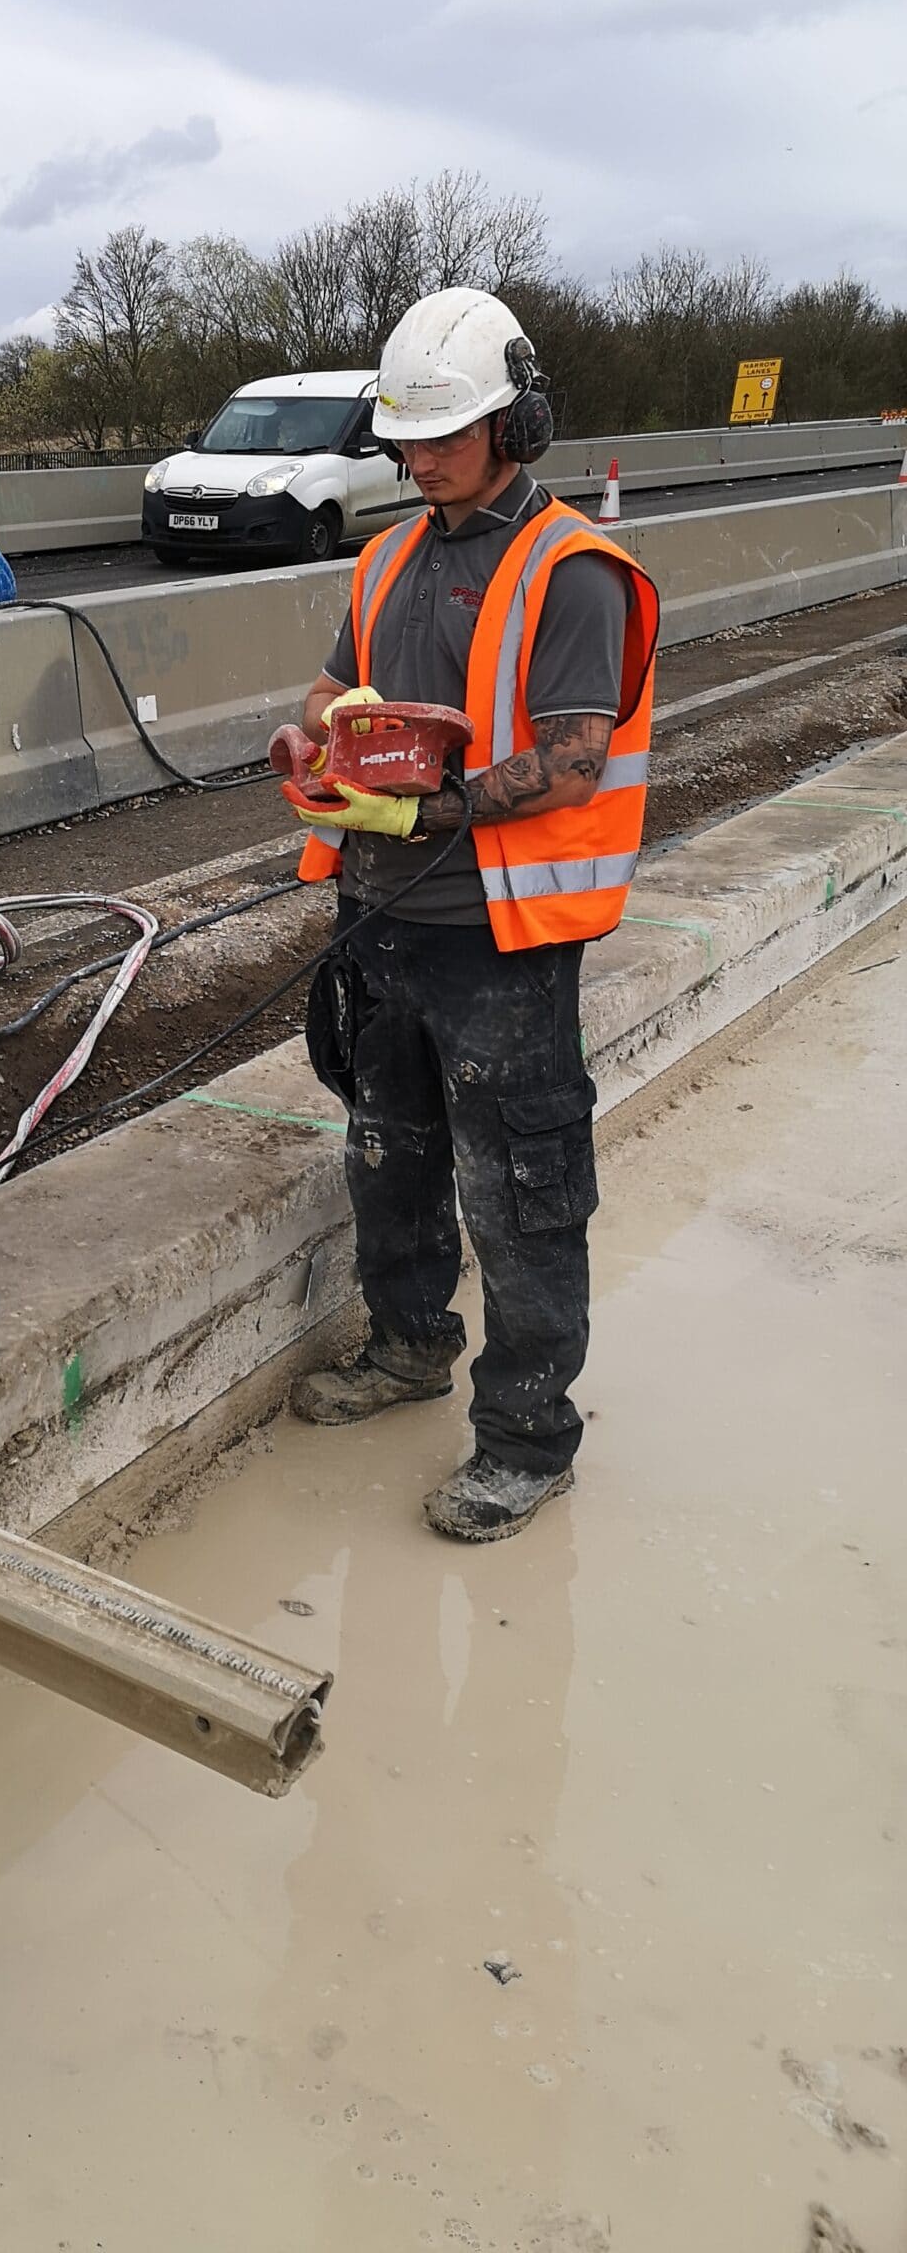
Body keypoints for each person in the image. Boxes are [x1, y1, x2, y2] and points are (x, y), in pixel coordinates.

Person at [284, 288, 659, 1541]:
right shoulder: (391, 553)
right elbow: (340, 690)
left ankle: (528, 1436)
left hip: (500, 938)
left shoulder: (573, 572)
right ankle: (407, 1347)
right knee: (390, 1158)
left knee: (521, 1189)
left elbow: (572, 757)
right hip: (380, 918)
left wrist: (445, 802)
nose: (421, 456)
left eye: (448, 432)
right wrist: (309, 735)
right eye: (408, 436)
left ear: (519, 420)